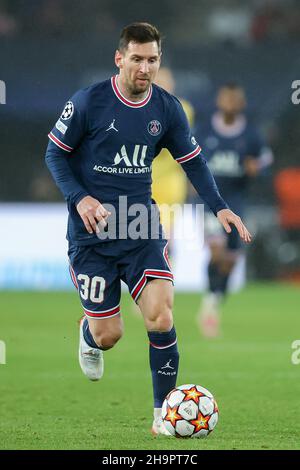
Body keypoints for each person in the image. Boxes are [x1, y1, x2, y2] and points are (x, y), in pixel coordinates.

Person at [45, 23, 251, 436]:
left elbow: (193, 160)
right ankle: (89, 331)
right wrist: (80, 198)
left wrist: (220, 208)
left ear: (160, 61)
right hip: (92, 235)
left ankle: (163, 415)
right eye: (137, 58)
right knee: (110, 336)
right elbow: (55, 154)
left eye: (152, 59)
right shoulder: (89, 101)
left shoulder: (168, 108)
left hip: (141, 227)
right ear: (119, 58)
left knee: (160, 317)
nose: (145, 67)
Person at [195, 83, 273, 338]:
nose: (230, 103)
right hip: (212, 203)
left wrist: (257, 168)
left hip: (237, 203)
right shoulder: (205, 131)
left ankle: (214, 300)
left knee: (230, 260)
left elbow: (265, 160)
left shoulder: (251, 135)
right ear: (219, 100)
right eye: (226, 98)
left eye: (234, 99)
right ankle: (209, 305)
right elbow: (190, 158)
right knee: (216, 252)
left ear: (241, 103)